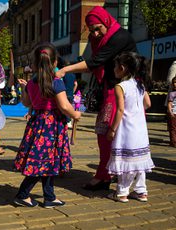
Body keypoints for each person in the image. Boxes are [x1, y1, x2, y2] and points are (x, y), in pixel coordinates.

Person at [55, 6, 137, 190]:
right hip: (114, 88)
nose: (96, 33)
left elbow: (94, 62)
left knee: (105, 131)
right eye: (91, 31)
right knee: (109, 132)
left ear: (106, 21)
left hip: (120, 90)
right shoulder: (103, 38)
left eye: (98, 28)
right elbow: (93, 64)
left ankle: (105, 175)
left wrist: (65, 69)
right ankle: (112, 172)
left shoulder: (119, 37)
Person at [13, 42, 81, 208]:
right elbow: (64, 106)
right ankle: (22, 194)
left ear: (35, 64)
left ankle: (49, 196)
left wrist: (23, 88)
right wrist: (75, 114)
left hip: (38, 123)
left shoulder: (31, 83)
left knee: (48, 161)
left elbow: (27, 102)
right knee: (41, 162)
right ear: (56, 62)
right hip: (52, 126)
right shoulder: (56, 82)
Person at [106, 52, 154, 202]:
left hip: (126, 129)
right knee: (139, 160)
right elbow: (148, 104)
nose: (114, 69)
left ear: (122, 68)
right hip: (140, 129)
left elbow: (120, 110)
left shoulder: (120, 86)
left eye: (115, 66)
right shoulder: (140, 84)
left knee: (126, 160)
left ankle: (122, 192)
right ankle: (141, 191)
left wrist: (112, 129)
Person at [167, 76, 176, 147]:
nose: (175, 84)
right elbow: (169, 103)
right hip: (173, 113)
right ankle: (173, 142)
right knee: (172, 128)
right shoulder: (172, 93)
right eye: (174, 83)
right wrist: (170, 112)